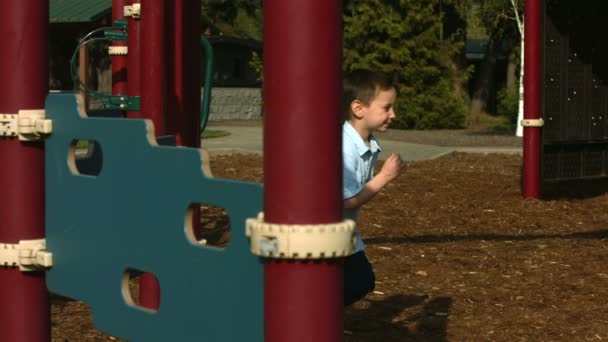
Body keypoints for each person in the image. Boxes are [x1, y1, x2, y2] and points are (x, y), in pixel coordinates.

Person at [342, 69, 406, 306]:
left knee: (360, 281)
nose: (393, 114)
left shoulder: (368, 144)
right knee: (358, 281)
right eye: (386, 108)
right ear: (359, 109)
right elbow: (345, 202)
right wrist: (384, 177)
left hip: (343, 233)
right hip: (323, 235)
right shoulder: (345, 148)